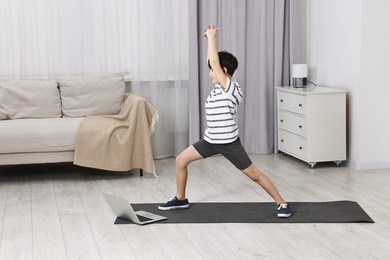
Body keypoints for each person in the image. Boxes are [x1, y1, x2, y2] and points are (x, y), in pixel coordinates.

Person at [158, 25, 292, 218]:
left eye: (213, 70)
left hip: (229, 143)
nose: (210, 73)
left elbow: (213, 61)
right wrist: (208, 41)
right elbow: (211, 61)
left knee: (253, 174)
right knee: (180, 160)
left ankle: (282, 203)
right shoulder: (217, 90)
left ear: (224, 70)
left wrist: (212, 37)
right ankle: (180, 199)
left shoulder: (231, 88)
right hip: (210, 140)